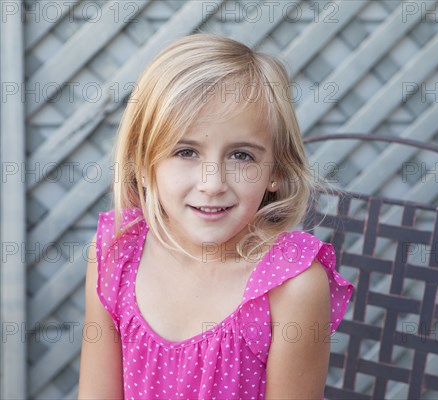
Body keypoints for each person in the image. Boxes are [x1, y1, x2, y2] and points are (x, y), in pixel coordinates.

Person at [78, 33, 354, 399]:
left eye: (241, 156)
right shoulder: (115, 252)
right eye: (186, 151)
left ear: (277, 171)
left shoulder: (292, 285)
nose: (212, 183)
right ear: (144, 165)